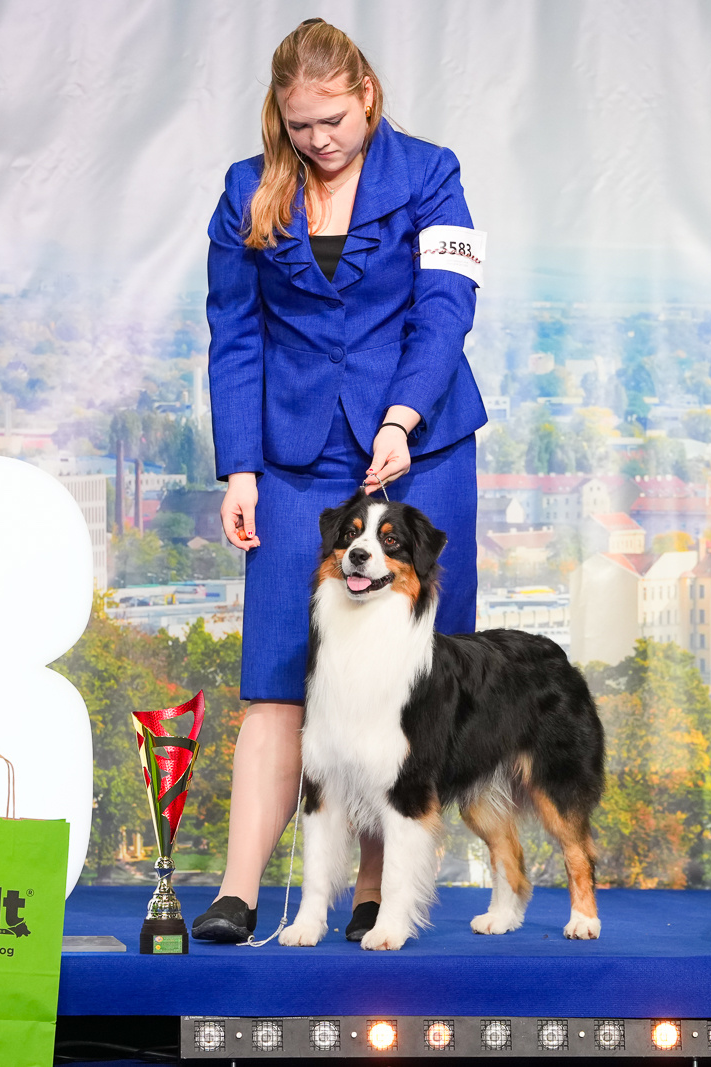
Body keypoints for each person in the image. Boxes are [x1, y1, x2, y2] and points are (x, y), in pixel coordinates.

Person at [192, 18, 487, 943]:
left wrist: (402, 418)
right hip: (292, 457)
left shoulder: (432, 173)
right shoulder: (246, 188)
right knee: (278, 673)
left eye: (334, 121)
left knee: (405, 684)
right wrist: (240, 467)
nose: (319, 140)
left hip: (418, 447)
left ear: (368, 96)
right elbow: (234, 333)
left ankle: (374, 891)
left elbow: (446, 309)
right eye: (300, 125)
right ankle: (238, 891)